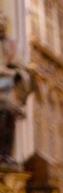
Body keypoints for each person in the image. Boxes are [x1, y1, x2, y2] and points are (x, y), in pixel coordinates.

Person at [0, 12, 35, 165]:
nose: (1, 23)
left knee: (8, 117)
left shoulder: (11, 44)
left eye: (3, 20)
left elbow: (19, 64)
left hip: (6, 87)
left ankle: (5, 153)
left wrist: (16, 72)